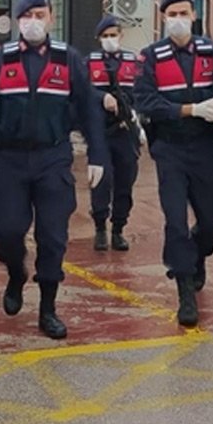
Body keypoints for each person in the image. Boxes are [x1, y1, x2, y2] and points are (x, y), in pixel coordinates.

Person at [0, 0, 107, 339]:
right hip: (11, 160)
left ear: (51, 17)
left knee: (53, 237)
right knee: (7, 230)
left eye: (39, 14)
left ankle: (48, 309)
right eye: (26, 15)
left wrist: (98, 155)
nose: (33, 21)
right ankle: (16, 273)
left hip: (53, 158)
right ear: (17, 22)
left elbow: (89, 108)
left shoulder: (68, 59)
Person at [134, 0, 213, 328]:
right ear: (163, 18)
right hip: (170, 150)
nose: (178, 19)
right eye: (171, 13)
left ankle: (197, 255)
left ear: (194, 15)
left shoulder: (212, 52)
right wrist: (189, 109)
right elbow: (144, 101)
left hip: (205, 147)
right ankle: (185, 292)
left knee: (212, 222)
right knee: (175, 222)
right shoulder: (151, 57)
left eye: (184, 12)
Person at [86, 15, 140, 252]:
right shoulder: (89, 62)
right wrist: (101, 97)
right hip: (99, 130)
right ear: (99, 38)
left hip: (125, 131)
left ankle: (118, 228)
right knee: (101, 179)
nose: (110, 40)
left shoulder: (134, 61)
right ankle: (100, 227)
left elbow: (144, 91)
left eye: (113, 35)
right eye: (105, 36)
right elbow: (81, 90)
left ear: (121, 35)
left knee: (125, 181)